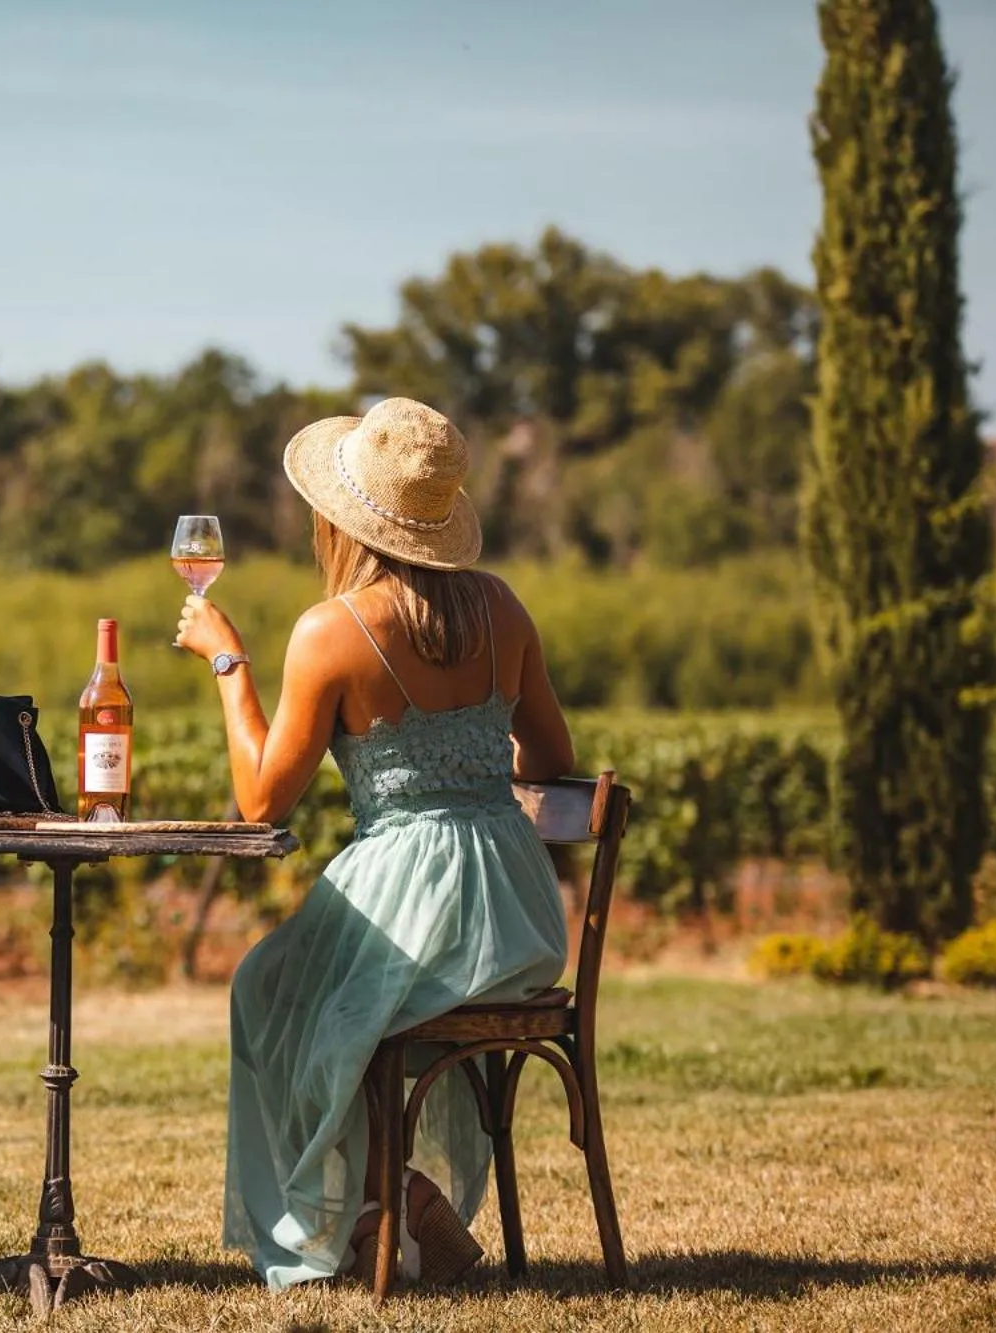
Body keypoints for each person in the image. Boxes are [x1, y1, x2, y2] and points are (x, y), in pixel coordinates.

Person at [174, 397, 574, 1291]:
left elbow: (260, 800)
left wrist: (226, 660)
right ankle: (393, 1197)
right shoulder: (503, 610)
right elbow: (555, 756)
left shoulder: (332, 631)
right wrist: (470, 760)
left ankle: (366, 1212)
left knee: (271, 987)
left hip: (410, 895)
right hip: (515, 914)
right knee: (329, 1005)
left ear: (340, 520)